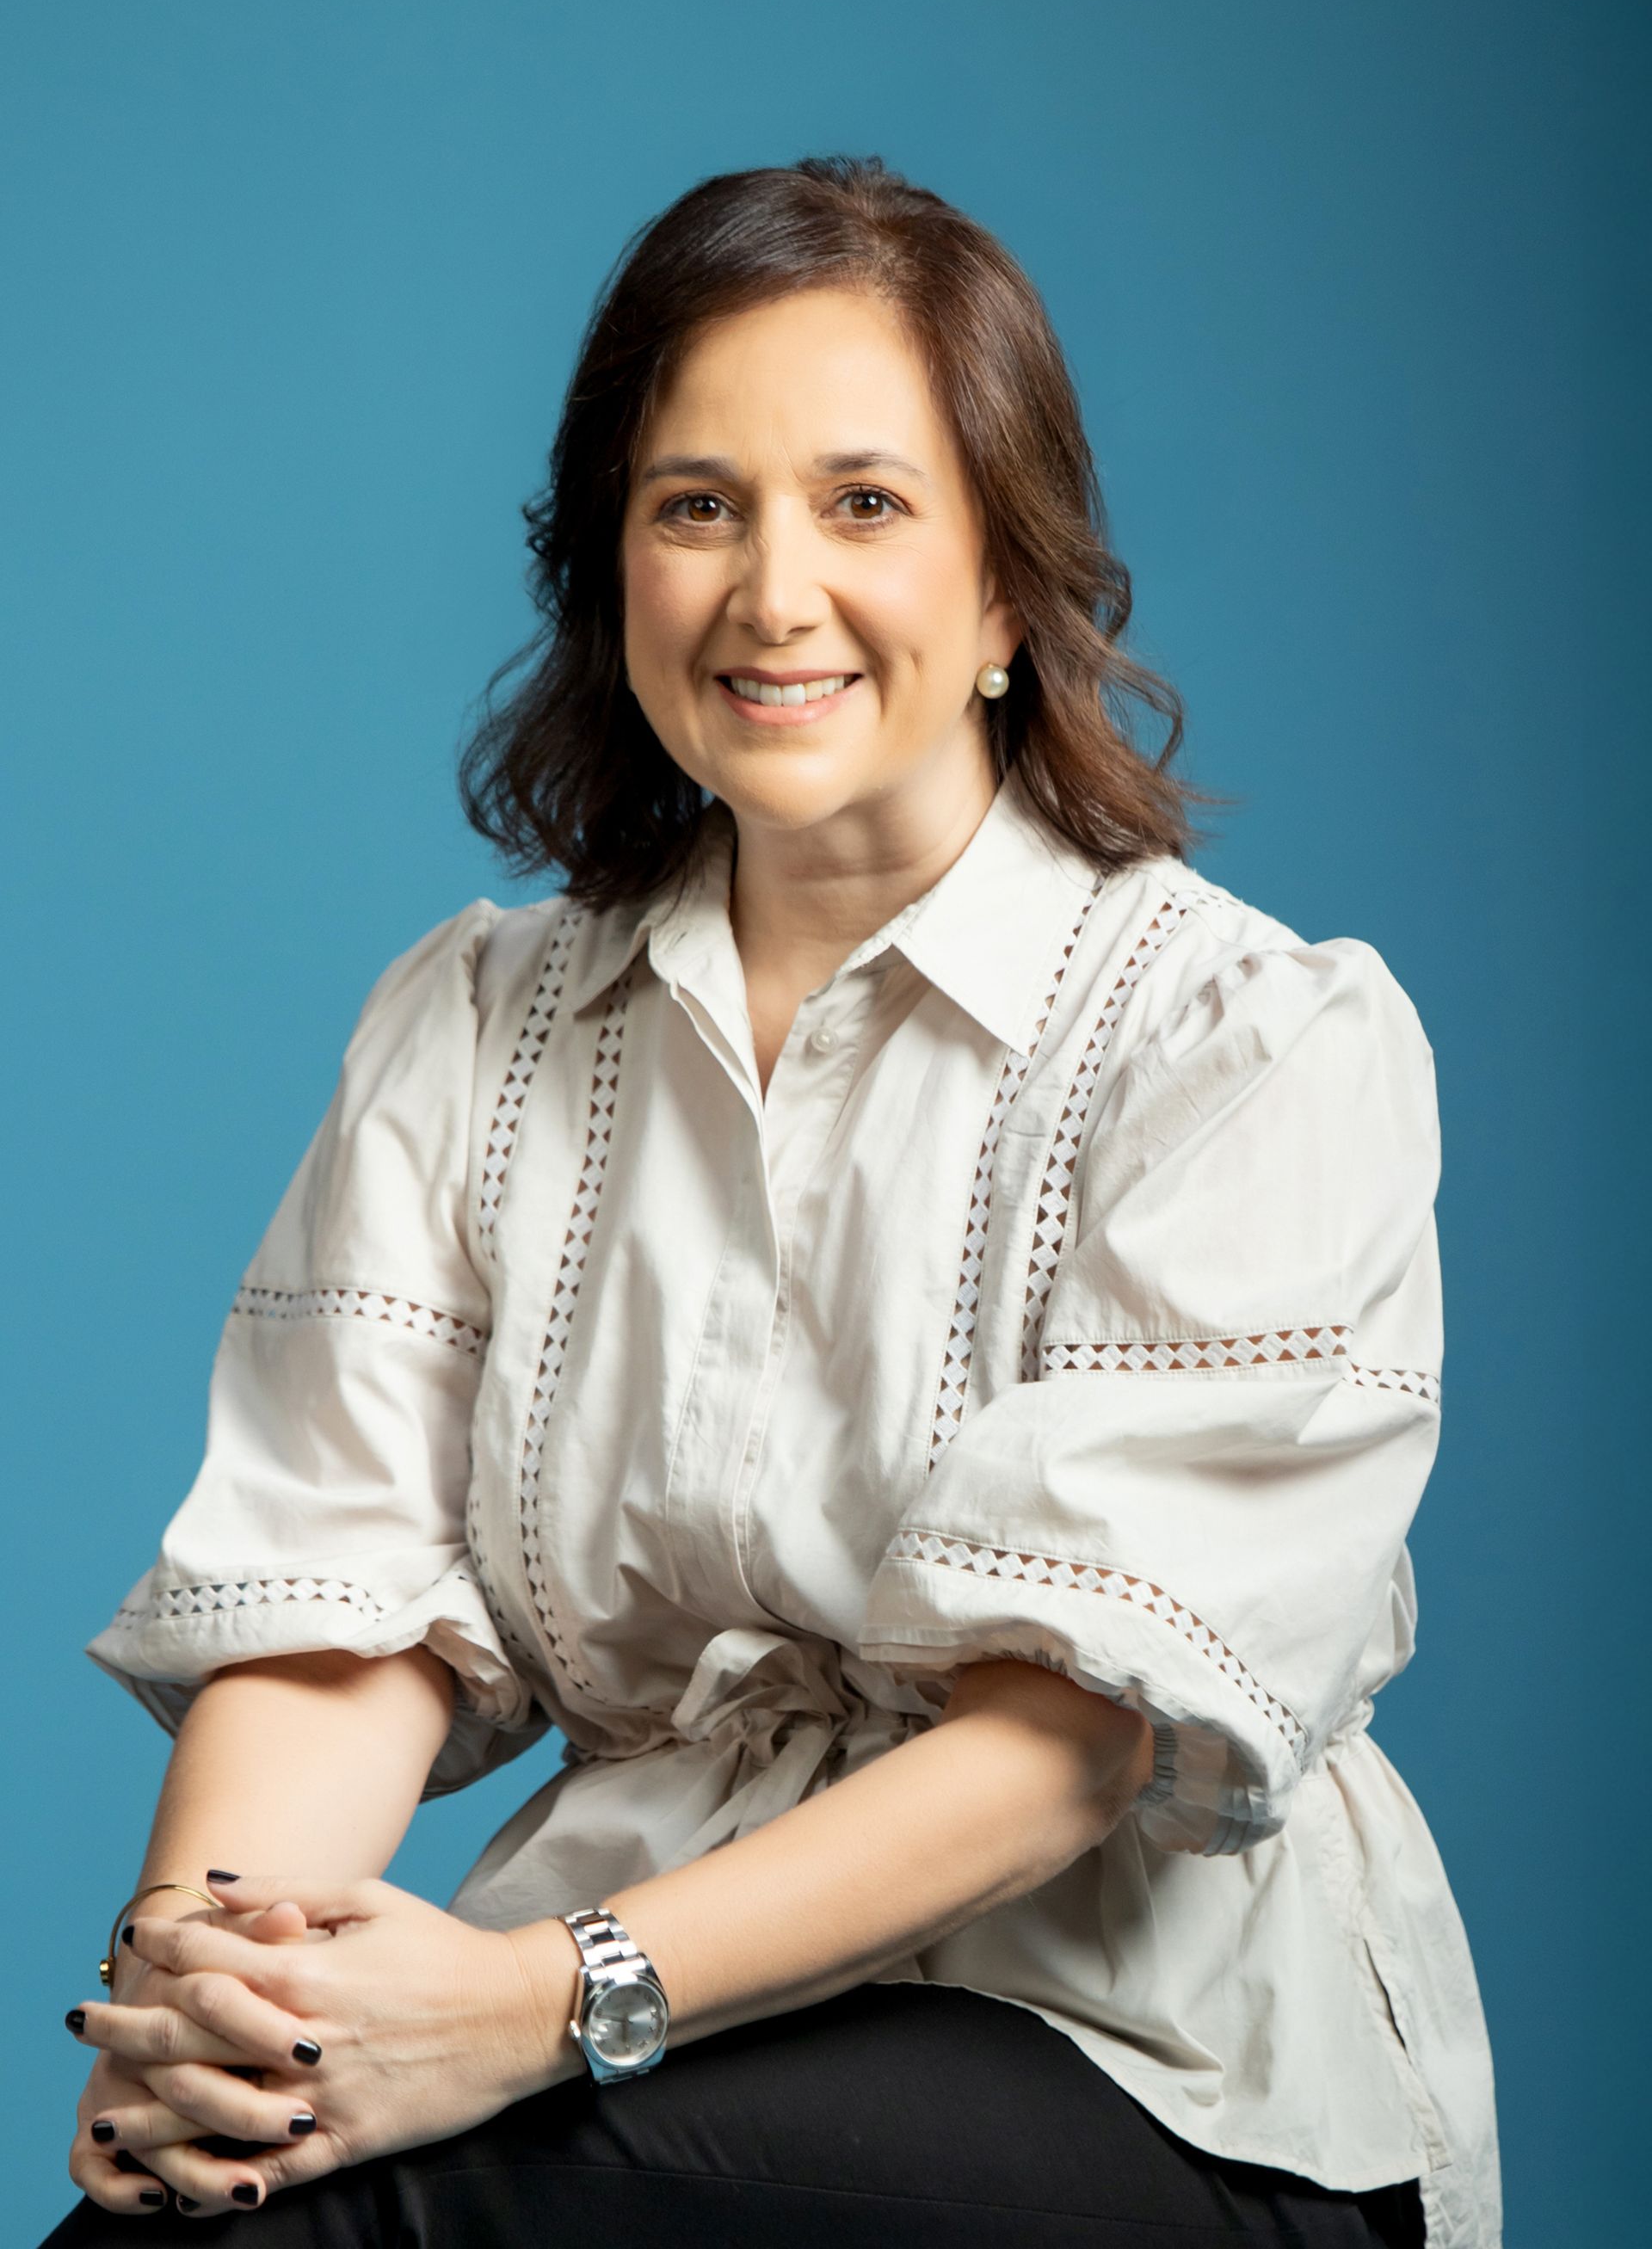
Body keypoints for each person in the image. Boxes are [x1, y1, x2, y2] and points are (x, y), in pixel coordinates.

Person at [45, 155, 1500, 2246]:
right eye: (696, 504)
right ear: (609, 567)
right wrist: (209, 1995)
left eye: (868, 504)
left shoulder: (1249, 1040)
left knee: (383, 2222)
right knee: (202, 2199)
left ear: (1013, 588)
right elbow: (339, 1626)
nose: (770, 592)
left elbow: (1067, 1749)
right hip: (598, 2048)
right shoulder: (477, 1023)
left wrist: (545, 2004)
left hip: (1151, 2072)